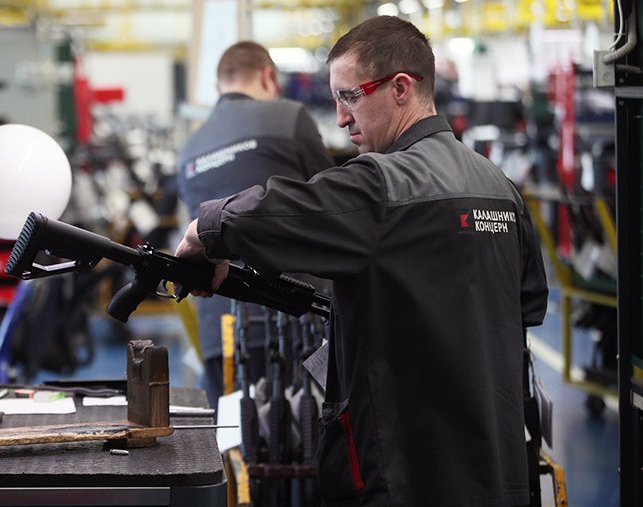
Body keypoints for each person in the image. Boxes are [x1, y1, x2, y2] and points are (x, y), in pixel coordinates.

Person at [174, 16, 548, 506]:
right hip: (497, 473)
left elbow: (281, 211)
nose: (341, 118)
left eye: (349, 97)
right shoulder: (501, 189)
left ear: (400, 88)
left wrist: (203, 229)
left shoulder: (380, 185)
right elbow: (527, 304)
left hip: (406, 474)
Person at [176, 40, 333, 411]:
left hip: (221, 331)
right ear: (267, 76)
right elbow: (335, 205)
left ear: (218, 87)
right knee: (309, 433)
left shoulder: (190, 149)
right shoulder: (288, 117)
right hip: (298, 319)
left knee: (234, 436)